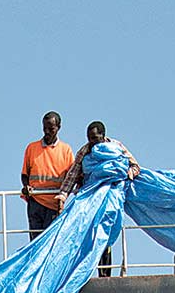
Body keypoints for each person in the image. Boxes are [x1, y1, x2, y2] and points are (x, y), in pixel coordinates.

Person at [61, 122, 138, 276]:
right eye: (90, 138)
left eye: (95, 138)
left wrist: (128, 173)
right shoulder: (84, 151)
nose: (93, 142)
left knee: (106, 233)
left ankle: (105, 273)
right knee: (91, 234)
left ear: (103, 135)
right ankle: (87, 271)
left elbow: (135, 166)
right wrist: (63, 195)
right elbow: (73, 174)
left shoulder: (117, 147)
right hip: (92, 198)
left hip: (111, 197)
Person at [21, 112, 74, 240]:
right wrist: (26, 186)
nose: (47, 132)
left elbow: (72, 177)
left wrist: (64, 197)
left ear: (59, 127)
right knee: (35, 240)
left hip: (54, 203)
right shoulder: (32, 148)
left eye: (51, 129)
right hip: (35, 201)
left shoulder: (65, 150)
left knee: (50, 241)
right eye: (45, 128)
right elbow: (24, 174)